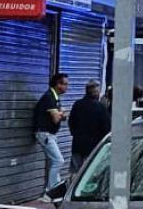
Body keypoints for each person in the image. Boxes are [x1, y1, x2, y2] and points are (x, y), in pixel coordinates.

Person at [33, 73, 69, 201]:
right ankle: (50, 192)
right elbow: (55, 119)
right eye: (65, 84)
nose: (67, 87)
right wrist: (61, 113)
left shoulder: (55, 98)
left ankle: (56, 190)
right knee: (59, 161)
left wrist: (60, 114)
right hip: (45, 134)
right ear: (57, 84)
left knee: (55, 161)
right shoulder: (49, 97)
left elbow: (58, 116)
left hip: (50, 135)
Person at [69, 80, 110, 172]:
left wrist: (76, 134)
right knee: (90, 171)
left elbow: (71, 122)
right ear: (95, 93)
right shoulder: (100, 107)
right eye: (98, 91)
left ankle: (73, 186)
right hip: (93, 146)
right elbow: (106, 127)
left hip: (77, 145)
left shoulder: (77, 104)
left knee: (75, 172)